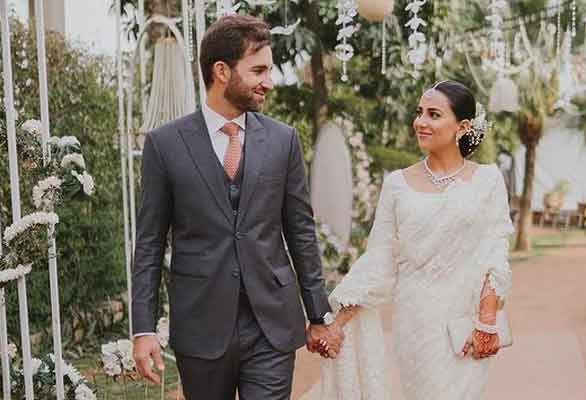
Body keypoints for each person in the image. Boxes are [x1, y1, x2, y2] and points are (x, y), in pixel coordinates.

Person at [130, 14, 343, 400]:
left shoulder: (283, 141)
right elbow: (149, 242)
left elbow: (300, 232)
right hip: (200, 325)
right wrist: (143, 328)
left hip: (271, 324)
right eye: (258, 69)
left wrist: (319, 314)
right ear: (222, 71)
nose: (269, 81)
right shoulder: (165, 145)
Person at [303, 80, 514, 399]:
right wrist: (337, 322)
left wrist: (486, 321)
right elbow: (380, 259)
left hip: (467, 322)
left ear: (463, 126)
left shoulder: (488, 180)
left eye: (433, 114)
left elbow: (495, 252)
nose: (420, 122)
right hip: (418, 324)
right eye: (419, 113)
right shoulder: (397, 185)